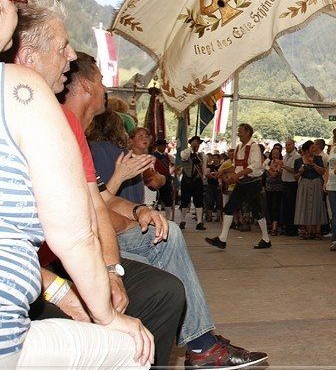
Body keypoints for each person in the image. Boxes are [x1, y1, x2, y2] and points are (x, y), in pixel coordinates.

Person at [0, 0, 151, 367]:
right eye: (14, 0)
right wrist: (108, 317)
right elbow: (71, 231)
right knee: (134, 346)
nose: (17, 13)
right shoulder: (16, 90)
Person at [62, 54, 266, 369]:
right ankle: (200, 343)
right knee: (167, 248)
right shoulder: (66, 129)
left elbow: (104, 198)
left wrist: (139, 210)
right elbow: (93, 209)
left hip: (97, 234)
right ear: (87, 86)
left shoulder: (76, 132)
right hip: (74, 246)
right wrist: (123, 238)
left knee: (167, 235)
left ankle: (200, 341)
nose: (106, 88)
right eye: (101, 80)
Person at [207, 124, 271, 250]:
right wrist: (224, 171)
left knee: (257, 211)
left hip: (253, 182)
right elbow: (236, 165)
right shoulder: (238, 147)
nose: (238, 133)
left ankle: (266, 239)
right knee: (229, 208)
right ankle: (222, 239)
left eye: (240, 131)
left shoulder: (254, 147)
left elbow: (255, 166)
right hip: (242, 183)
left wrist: (236, 176)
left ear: (248, 132)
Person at [293, 140, 328, 239]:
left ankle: (317, 230)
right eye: (312, 147)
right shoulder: (298, 161)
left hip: (316, 182)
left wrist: (314, 165)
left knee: (317, 205)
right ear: (306, 150)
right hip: (304, 183)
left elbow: (322, 172)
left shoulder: (318, 159)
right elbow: (295, 177)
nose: (314, 149)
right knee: (305, 205)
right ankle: (307, 230)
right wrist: (300, 171)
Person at [178, 135, 207, 230]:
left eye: (198, 143)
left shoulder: (202, 156)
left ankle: (199, 222)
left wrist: (203, 178)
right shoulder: (185, 152)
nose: (196, 144)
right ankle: (182, 221)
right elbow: (184, 156)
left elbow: (203, 168)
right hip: (186, 180)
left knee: (199, 201)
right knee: (185, 200)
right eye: (194, 142)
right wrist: (191, 149)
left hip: (197, 180)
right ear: (190, 143)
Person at [279, 138, 301, 236]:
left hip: (292, 183)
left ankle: (292, 229)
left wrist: (284, 166)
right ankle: (287, 227)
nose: (287, 146)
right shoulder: (285, 156)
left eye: (289, 144)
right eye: (286, 145)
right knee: (285, 207)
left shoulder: (296, 156)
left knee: (291, 207)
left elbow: (295, 170)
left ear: (293, 145)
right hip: (285, 182)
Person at [264, 144, 284, 236]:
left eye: (277, 153)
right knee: (269, 207)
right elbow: (263, 167)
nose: (275, 155)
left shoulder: (281, 162)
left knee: (275, 207)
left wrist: (268, 168)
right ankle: (270, 224)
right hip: (268, 187)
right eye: (273, 153)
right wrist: (269, 168)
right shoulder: (269, 162)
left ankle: (275, 227)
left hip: (277, 188)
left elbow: (274, 175)